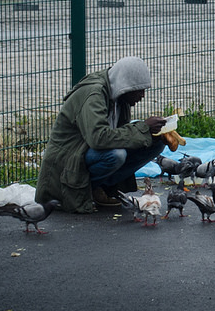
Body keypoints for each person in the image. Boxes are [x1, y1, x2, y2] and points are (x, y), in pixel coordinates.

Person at [35, 56, 167, 212]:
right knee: (116, 155)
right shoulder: (94, 94)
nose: (142, 96)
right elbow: (98, 138)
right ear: (125, 87)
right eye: (138, 91)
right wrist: (143, 128)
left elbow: (118, 134)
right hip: (68, 160)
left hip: (86, 152)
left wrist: (150, 133)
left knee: (156, 144)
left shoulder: (119, 96)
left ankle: (101, 187)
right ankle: (88, 190)